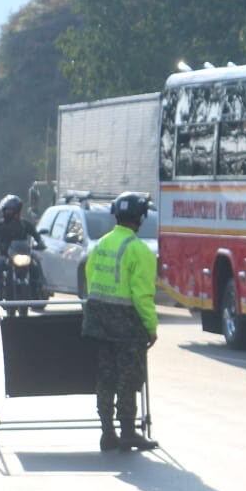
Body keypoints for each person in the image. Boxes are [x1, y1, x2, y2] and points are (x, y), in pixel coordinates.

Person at [81, 191, 159, 453]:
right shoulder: (139, 250)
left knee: (106, 376)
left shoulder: (100, 244)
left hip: (98, 320)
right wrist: (150, 326)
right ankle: (127, 431)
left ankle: (107, 433)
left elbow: (91, 278)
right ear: (141, 217)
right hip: (126, 324)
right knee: (128, 376)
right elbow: (142, 295)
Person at [0, 194, 46, 300]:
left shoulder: (25, 224)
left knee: (35, 266)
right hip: (6, 256)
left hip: (24, 254)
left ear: (17, 211)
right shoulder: (0, 225)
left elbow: (35, 234)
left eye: (9, 210)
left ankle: (39, 291)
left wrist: (40, 243)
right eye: (5, 210)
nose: (7, 213)